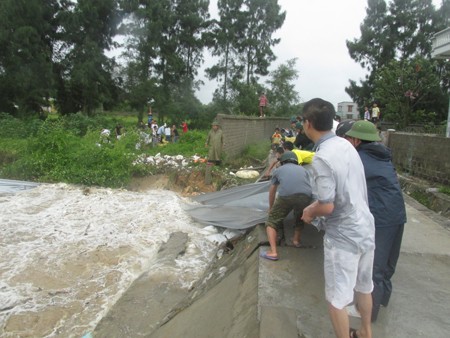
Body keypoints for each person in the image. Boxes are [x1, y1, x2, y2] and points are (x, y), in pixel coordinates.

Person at [300, 98, 375, 338]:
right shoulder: (346, 146)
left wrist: (310, 211)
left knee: (337, 298)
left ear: (308, 123)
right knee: (364, 286)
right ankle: (365, 332)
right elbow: (343, 191)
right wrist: (317, 205)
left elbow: (328, 206)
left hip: (343, 236)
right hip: (365, 228)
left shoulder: (321, 158)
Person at [344, 120, 406, 323]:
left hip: (381, 216)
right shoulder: (383, 155)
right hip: (397, 213)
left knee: (374, 269)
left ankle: (368, 314)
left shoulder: (358, 158)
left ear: (356, 140)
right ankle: (383, 300)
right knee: (388, 263)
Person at [260, 151, 313, 261]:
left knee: (271, 222)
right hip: (306, 196)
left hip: (287, 196)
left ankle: (273, 252)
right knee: (299, 217)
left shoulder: (278, 170)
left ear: (283, 162)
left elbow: (272, 191)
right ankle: (296, 241)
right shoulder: (304, 170)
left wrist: (271, 208)